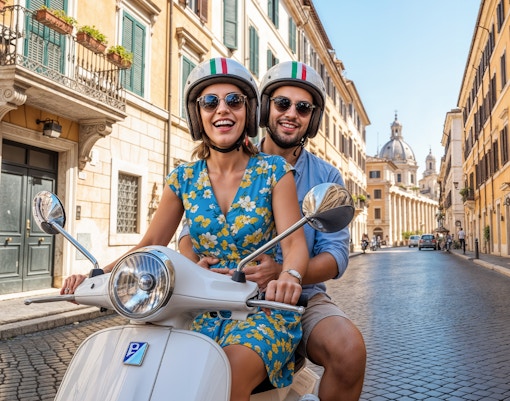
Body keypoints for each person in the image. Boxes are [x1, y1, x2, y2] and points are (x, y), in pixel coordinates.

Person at [61, 57, 309, 401]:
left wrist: (290, 277)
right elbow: (150, 243)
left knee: (223, 377)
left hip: (258, 308)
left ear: (248, 112)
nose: (222, 109)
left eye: (233, 101)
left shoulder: (274, 171)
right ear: (198, 114)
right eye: (210, 102)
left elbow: (295, 242)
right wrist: (95, 275)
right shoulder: (182, 179)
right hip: (196, 307)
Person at [180, 61, 366, 401]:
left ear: (314, 118)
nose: (291, 114)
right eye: (282, 104)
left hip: (301, 296)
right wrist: (196, 267)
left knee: (349, 350)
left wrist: (285, 273)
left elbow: (336, 257)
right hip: (223, 292)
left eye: (303, 107)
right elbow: (188, 229)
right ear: (264, 109)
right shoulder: (227, 155)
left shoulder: (328, 176)